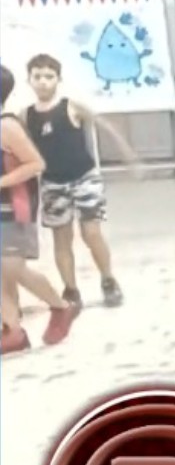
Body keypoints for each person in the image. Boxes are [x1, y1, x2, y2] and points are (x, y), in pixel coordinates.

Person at [23, 53, 133, 309]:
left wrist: (126, 151)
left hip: (84, 177)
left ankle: (108, 279)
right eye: (37, 77)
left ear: (58, 79)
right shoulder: (25, 116)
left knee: (91, 233)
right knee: (62, 239)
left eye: (49, 76)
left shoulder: (71, 107)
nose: (43, 82)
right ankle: (71, 289)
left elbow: (104, 125)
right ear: (29, 80)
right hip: (52, 183)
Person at [1, 64, 79, 353]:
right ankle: (12, 330)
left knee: (13, 268)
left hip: (14, 208)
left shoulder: (6, 126)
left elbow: (36, 164)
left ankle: (60, 306)